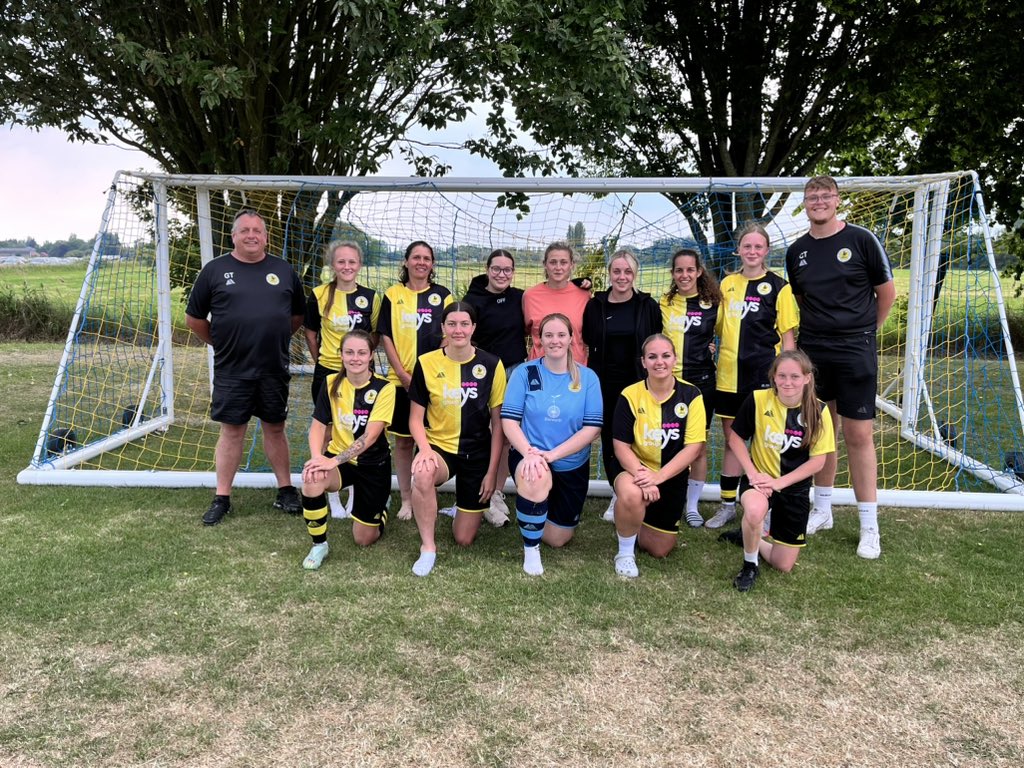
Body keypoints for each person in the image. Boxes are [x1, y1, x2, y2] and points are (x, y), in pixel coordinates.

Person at [784, 176, 895, 559]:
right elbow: (801, 299)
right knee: (821, 430)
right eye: (812, 196)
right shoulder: (796, 251)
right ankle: (822, 510)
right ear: (805, 203)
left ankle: (869, 526)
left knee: (858, 435)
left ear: (837, 200)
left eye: (825, 195)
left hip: (855, 350)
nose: (819, 201)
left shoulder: (862, 239)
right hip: (814, 352)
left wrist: (865, 332)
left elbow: (887, 294)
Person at [185, 208, 305, 526]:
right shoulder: (214, 270)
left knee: (275, 428)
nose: (251, 235)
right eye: (245, 230)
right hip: (232, 368)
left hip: (273, 366)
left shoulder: (284, 270)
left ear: (266, 237)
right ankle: (222, 497)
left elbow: (296, 317)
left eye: (257, 230)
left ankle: (285, 490)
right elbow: (194, 319)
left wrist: (273, 337)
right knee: (232, 431)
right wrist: (222, 342)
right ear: (233, 235)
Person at [705, 223, 799, 530]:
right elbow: (716, 328)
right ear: (739, 249)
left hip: (763, 377)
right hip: (729, 377)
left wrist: (786, 375)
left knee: (764, 442)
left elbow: (787, 338)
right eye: (747, 246)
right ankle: (727, 506)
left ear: (766, 251)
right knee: (734, 440)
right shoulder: (727, 284)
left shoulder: (779, 287)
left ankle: (766, 504)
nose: (753, 252)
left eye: (758, 247)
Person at [721, 350, 836, 591]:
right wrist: (752, 473)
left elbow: (817, 462)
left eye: (794, 376)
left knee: (783, 564)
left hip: (792, 488)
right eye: (781, 376)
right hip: (759, 481)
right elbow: (735, 438)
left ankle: (750, 537)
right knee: (753, 510)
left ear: (807, 378)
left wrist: (779, 483)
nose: (787, 382)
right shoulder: (758, 399)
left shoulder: (819, 410)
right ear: (773, 377)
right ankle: (750, 565)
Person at [407, 303, 507, 576]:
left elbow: (498, 425)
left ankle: (461, 510)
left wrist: (491, 474)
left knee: (464, 539)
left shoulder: (491, 364)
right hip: (440, 448)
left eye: (465, 324)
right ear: (443, 327)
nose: (458, 329)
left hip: (477, 452)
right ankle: (428, 547)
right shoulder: (426, 363)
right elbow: (415, 419)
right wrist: (425, 450)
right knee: (423, 473)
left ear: (473, 328)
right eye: (452, 323)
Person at [501, 313, 602, 576]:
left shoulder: (588, 378)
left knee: (558, 538)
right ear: (539, 340)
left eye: (561, 335)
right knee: (535, 476)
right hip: (531, 455)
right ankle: (531, 550)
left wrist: (552, 455)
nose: (555, 340)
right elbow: (509, 422)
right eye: (548, 335)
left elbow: (592, 428)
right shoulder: (525, 372)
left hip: (569, 462)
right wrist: (531, 454)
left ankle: (530, 510)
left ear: (571, 338)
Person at [609, 334, 705, 578]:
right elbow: (620, 446)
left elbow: (693, 448)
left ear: (675, 359)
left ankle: (632, 519)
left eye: (665, 356)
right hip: (634, 469)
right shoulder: (630, 394)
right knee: (631, 494)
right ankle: (625, 553)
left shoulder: (692, 395)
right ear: (643, 362)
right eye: (652, 357)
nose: (659, 362)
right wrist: (643, 475)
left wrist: (658, 478)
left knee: (659, 549)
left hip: (669, 474)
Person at [299, 330, 396, 569]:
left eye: (362, 352)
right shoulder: (331, 383)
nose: (355, 358)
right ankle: (319, 544)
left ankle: (381, 505)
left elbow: (370, 436)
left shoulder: (385, 388)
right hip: (341, 463)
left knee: (363, 539)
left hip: (373, 465)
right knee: (312, 477)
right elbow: (318, 426)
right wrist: (317, 459)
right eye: (349, 352)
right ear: (341, 355)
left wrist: (332, 461)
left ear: (371, 355)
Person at [581, 250, 662, 522]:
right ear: (609, 273)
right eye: (617, 271)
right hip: (605, 383)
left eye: (627, 271)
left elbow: (655, 343)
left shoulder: (647, 305)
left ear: (635, 274)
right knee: (610, 438)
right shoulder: (596, 305)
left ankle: (641, 485)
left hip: (639, 383)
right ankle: (618, 491)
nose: (622, 277)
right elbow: (589, 339)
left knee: (637, 436)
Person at [303, 239, 381, 519]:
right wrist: (323, 362)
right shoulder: (319, 294)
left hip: (360, 373)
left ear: (359, 265)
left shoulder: (372, 297)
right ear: (332, 265)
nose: (347, 267)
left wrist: (360, 360)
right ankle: (332, 494)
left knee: (359, 429)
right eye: (341, 262)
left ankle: (356, 489)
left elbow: (373, 337)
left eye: (352, 262)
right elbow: (311, 334)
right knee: (328, 432)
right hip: (329, 372)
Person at [377, 241, 453, 522]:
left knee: (432, 438)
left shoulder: (443, 296)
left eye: (427, 258)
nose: (421, 262)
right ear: (406, 262)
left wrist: (427, 375)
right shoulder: (392, 294)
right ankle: (406, 499)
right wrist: (403, 375)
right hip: (401, 382)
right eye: (416, 257)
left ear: (432, 264)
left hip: (435, 382)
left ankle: (427, 489)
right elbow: (386, 336)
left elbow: (449, 336)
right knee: (404, 442)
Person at [462, 248, 527, 526]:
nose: (502, 274)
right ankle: (478, 490)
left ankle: (497, 491)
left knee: (508, 435)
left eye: (507, 270)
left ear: (513, 272)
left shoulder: (521, 297)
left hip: (514, 371)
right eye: (497, 269)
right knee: (484, 435)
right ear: (487, 270)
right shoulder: (473, 299)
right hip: (484, 373)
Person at [659, 248, 721, 527]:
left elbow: (724, 336)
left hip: (702, 384)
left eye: (690, 270)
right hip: (668, 384)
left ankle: (692, 506)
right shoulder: (664, 303)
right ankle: (663, 494)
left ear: (699, 272)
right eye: (679, 270)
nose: (684, 275)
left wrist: (711, 349)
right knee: (666, 441)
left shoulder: (714, 303)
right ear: (673, 274)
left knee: (698, 445)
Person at [522, 242, 591, 366]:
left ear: (572, 265)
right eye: (553, 262)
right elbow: (525, 331)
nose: (558, 267)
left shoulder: (584, 295)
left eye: (563, 262)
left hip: (575, 367)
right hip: (540, 368)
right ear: (545, 264)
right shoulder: (530, 296)